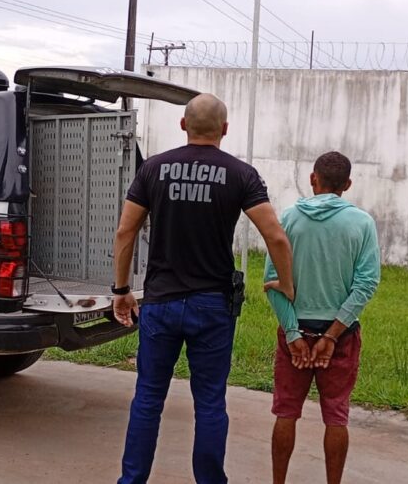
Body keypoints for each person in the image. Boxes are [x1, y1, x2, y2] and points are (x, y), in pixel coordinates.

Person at [112, 93, 296, 484]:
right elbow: (276, 237)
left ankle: (131, 481)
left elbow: (126, 230)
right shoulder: (241, 174)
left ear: (183, 125)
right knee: (210, 402)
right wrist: (287, 283)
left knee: (148, 398)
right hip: (212, 306)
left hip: (160, 303)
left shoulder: (153, 169)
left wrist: (122, 288)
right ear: (225, 130)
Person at [263, 151, 381, 484]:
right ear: (347, 184)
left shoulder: (288, 219)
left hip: (295, 333)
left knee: (286, 412)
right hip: (340, 337)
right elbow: (366, 282)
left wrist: (293, 333)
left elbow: (273, 281)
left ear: (313, 178)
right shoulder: (361, 223)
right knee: (336, 417)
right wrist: (331, 335)